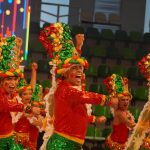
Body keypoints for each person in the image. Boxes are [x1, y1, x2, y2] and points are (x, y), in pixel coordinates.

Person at [39, 22, 117, 150]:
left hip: (72, 143)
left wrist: (79, 48)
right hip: (62, 144)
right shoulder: (65, 90)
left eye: (81, 68)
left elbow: (79, 113)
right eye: (75, 68)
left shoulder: (73, 90)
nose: (80, 71)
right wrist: (108, 100)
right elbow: (85, 95)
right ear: (65, 73)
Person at [0, 36, 40, 149]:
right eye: (9, 79)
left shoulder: (12, 94)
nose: (12, 82)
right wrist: (29, 109)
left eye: (15, 79)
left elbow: (30, 88)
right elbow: (7, 105)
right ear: (2, 81)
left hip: (9, 138)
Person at [14, 62, 45, 150]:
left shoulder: (32, 108)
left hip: (28, 141)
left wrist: (34, 71)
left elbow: (41, 124)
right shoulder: (16, 105)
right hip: (15, 141)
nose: (28, 96)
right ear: (20, 96)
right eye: (25, 94)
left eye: (30, 94)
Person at [103, 74, 136, 150]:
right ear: (119, 102)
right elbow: (130, 124)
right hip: (115, 145)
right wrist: (144, 124)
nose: (125, 102)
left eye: (127, 100)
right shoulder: (119, 113)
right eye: (123, 100)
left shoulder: (126, 112)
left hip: (122, 144)